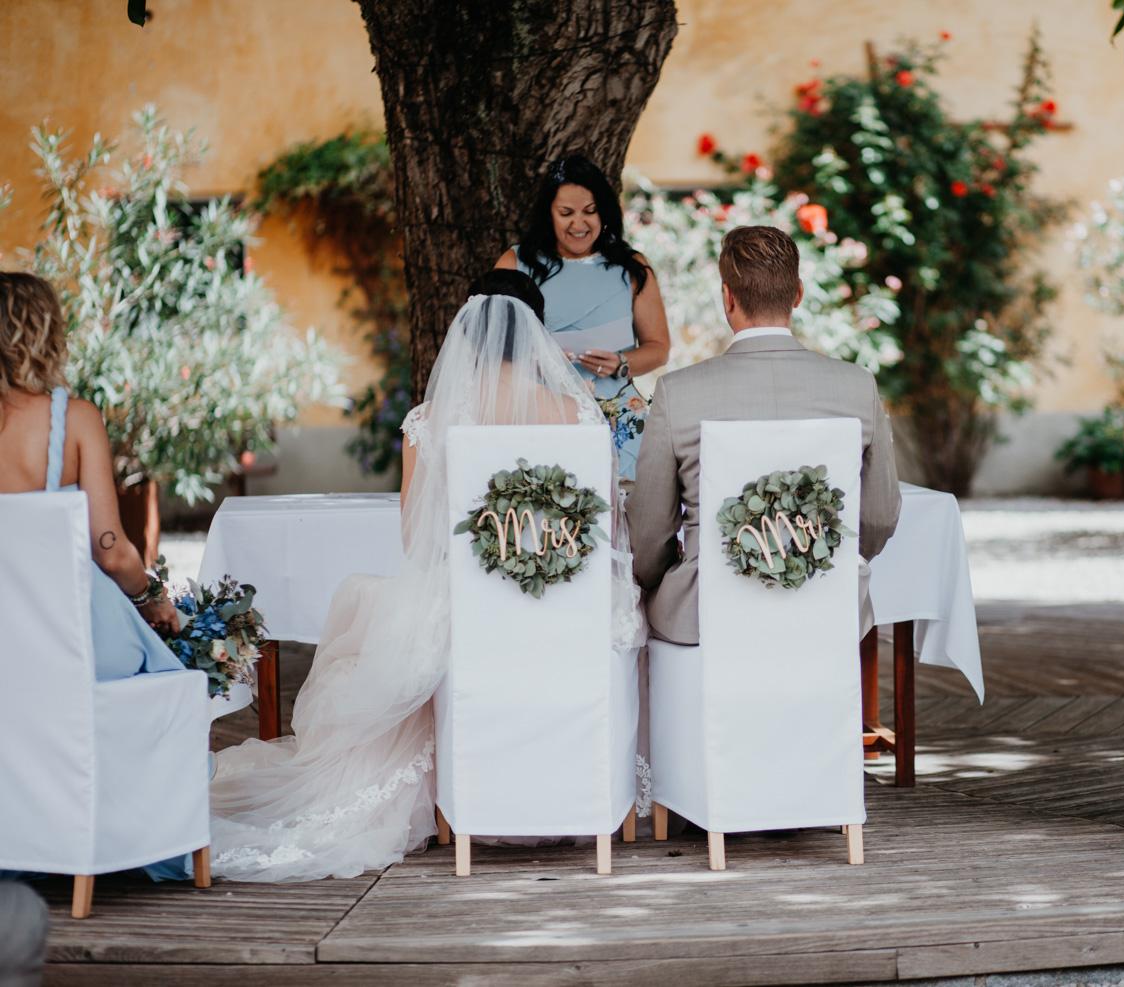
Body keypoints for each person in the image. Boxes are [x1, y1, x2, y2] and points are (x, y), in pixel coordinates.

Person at [195, 270, 644, 882]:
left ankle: (449, 810)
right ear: (537, 332)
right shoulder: (578, 413)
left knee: (375, 609)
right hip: (564, 615)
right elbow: (603, 528)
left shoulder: (432, 420)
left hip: (471, 622)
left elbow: (416, 540)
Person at [628, 225, 902, 646]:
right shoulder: (856, 386)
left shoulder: (678, 393)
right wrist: (826, 557)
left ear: (727, 298)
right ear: (798, 294)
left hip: (703, 616)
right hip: (828, 609)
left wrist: (665, 574)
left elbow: (648, 533)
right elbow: (880, 515)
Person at [0, 272, 181, 672]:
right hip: (71, 637)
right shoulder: (75, 420)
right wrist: (151, 598)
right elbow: (111, 551)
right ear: (43, 334)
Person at [496, 154, 670, 482]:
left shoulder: (632, 267)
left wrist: (620, 362)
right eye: (566, 213)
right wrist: (536, 360)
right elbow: (491, 345)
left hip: (618, 422)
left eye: (590, 212)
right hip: (538, 416)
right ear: (548, 214)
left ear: (605, 212)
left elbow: (658, 347)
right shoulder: (514, 264)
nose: (579, 224)